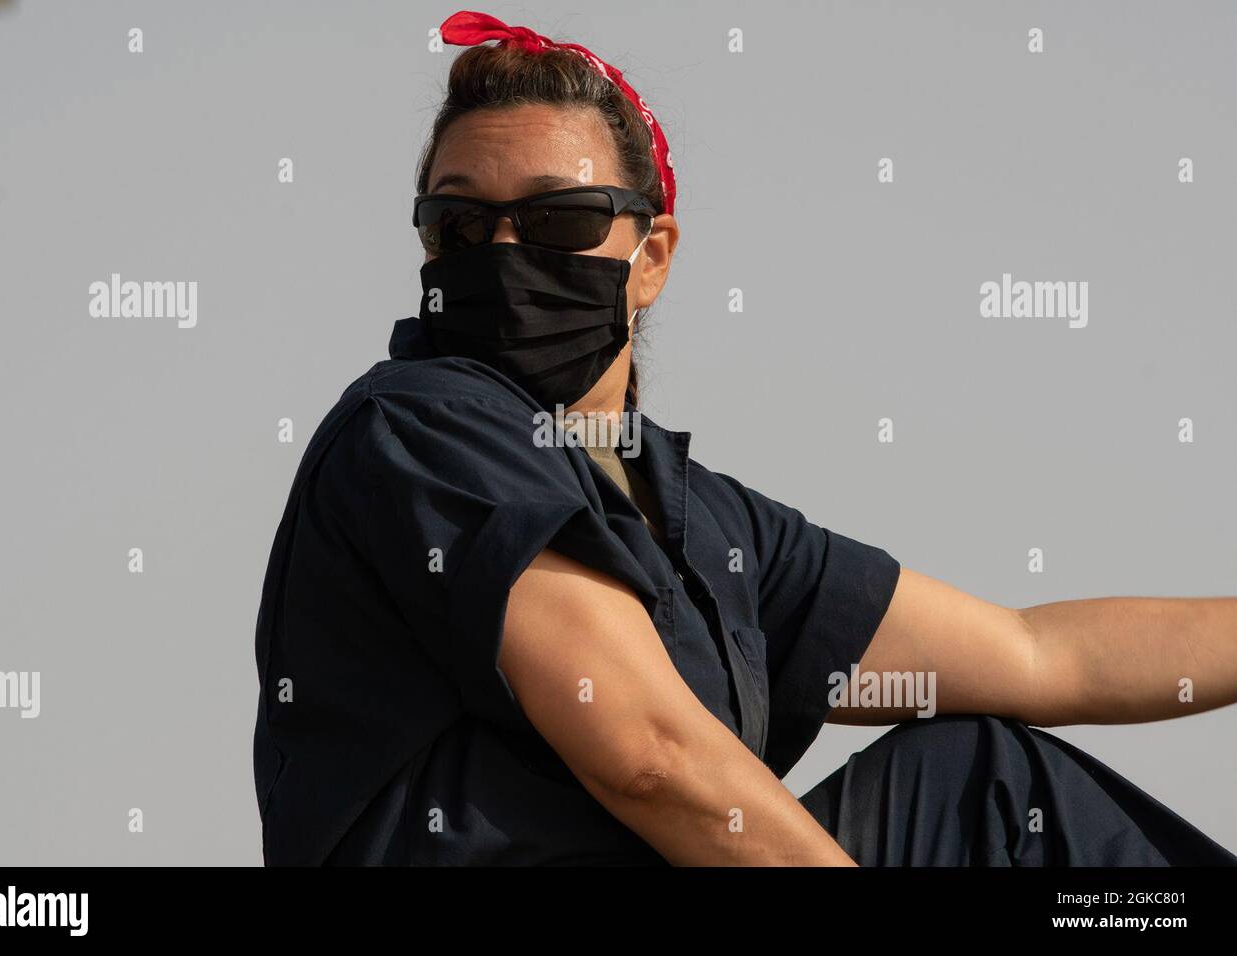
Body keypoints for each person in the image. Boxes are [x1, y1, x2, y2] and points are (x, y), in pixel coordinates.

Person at [251, 10, 1237, 866]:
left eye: (556, 220)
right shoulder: (423, 428)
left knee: (989, 784)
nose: (503, 255)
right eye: (461, 226)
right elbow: (653, 755)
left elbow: (1039, 655)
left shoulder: (705, 524)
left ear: (652, 255)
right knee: (980, 789)